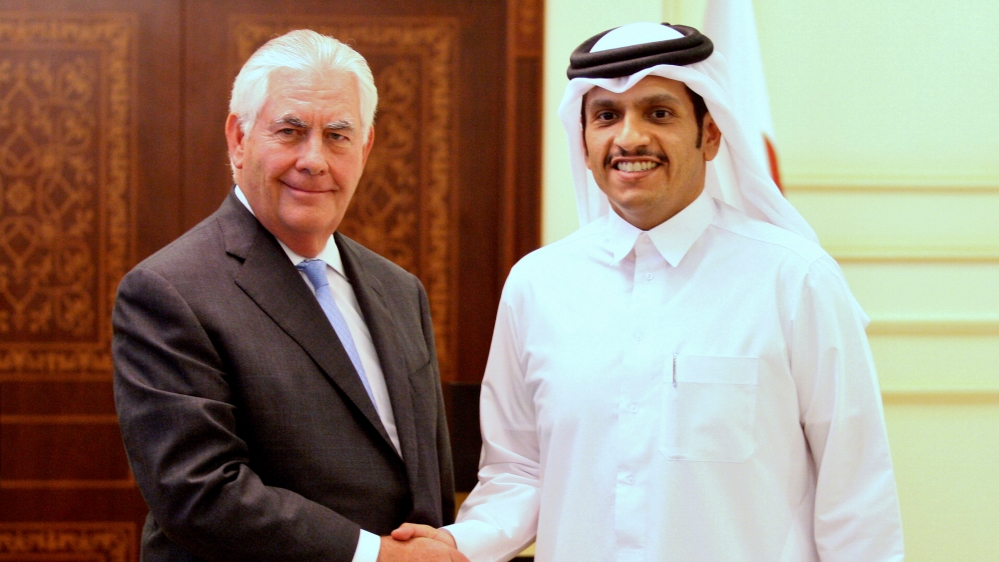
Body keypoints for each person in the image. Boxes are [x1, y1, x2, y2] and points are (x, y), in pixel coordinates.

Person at [392, 22, 904, 561]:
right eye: (606, 116)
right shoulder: (538, 285)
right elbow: (519, 471)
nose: (630, 138)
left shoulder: (794, 280)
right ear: (584, 142)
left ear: (710, 135)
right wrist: (457, 543)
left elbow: (856, 496)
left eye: (658, 113)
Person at [113, 29, 466, 562]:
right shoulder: (168, 291)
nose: (314, 160)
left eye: (339, 136)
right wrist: (374, 557)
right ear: (238, 137)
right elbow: (198, 493)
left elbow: (425, 480)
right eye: (291, 131)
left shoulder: (399, 290)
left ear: (365, 147)